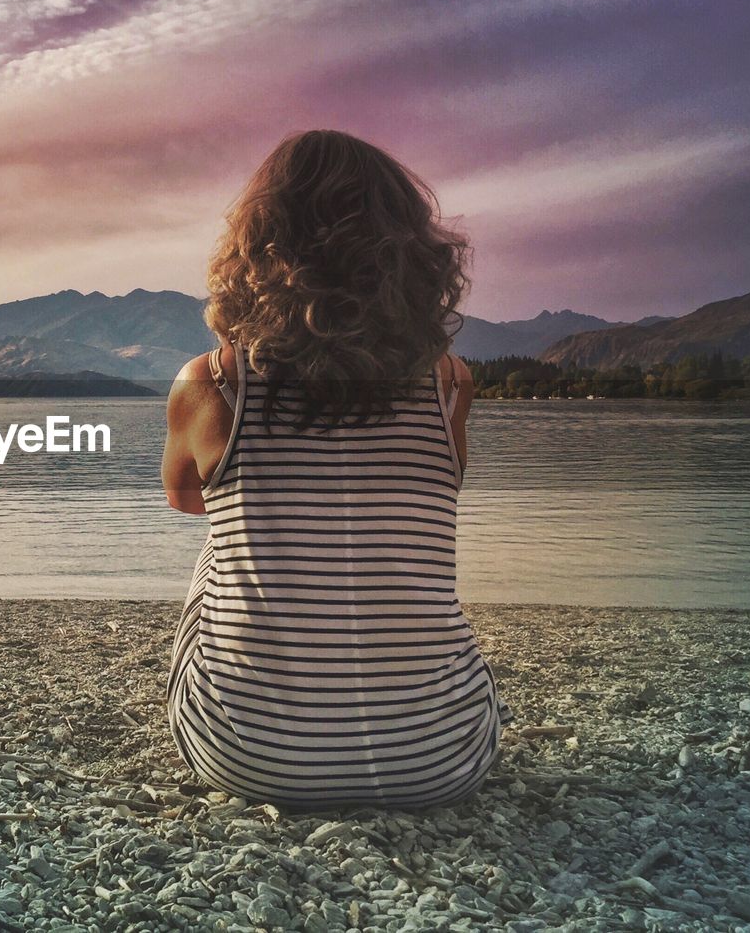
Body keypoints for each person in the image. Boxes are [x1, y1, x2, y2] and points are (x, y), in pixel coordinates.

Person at [161, 129, 513, 809]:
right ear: (410, 254)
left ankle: (275, 708)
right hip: (440, 758)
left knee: (221, 546)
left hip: (246, 756)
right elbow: (439, 495)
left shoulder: (212, 383)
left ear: (256, 249)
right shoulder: (449, 384)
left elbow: (188, 503)